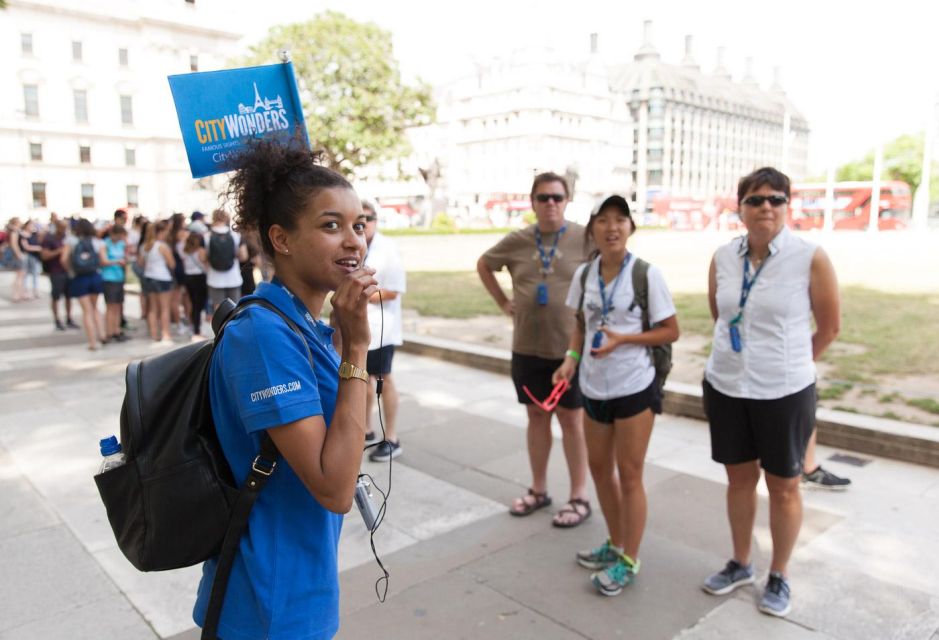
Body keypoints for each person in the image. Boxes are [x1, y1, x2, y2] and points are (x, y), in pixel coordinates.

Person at [191, 138, 377, 640]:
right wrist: (357, 350)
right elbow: (334, 487)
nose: (355, 241)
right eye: (330, 225)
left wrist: (343, 335)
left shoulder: (302, 324)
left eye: (358, 225)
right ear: (282, 239)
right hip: (268, 603)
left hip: (301, 582)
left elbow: (352, 431)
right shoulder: (264, 335)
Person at [700, 167, 840, 618]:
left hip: (783, 391)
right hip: (727, 387)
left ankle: (778, 573)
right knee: (739, 479)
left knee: (784, 487)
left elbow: (830, 326)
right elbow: (719, 316)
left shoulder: (809, 256)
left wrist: (792, 363)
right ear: (739, 207)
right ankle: (741, 562)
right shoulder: (723, 257)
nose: (765, 207)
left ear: (788, 206)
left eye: (776, 199)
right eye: (755, 199)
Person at [554, 195, 679, 596]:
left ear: (630, 227)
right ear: (591, 229)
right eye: (603, 220)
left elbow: (670, 330)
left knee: (629, 475)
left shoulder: (646, 275)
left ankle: (629, 559)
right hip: (592, 385)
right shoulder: (586, 275)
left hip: (634, 386)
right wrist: (571, 360)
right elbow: (581, 324)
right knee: (599, 470)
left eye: (620, 220)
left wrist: (625, 339)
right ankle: (616, 542)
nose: (612, 228)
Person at [477, 172, 592, 528]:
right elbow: (484, 264)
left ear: (568, 200)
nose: (551, 204)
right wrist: (502, 301)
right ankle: (539, 490)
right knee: (536, 417)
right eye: (543, 198)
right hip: (527, 348)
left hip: (569, 350)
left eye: (557, 197)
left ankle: (579, 496)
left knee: (572, 421)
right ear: (532, 202)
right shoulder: (518, 240)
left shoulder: (584, 239)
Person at [361, 200, 407, 461]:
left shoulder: (387, 248)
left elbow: (394, 290)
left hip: (382, 327)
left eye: (368, 218)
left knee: (382, 379)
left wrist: (363, 292)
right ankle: (366, 429)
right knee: (362, 378)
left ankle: (391, 438)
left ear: (376, 220)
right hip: (360, 328)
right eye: (358, 219)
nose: (363, 223)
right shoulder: (354, 245)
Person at [61, 218, 107, 350]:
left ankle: (92, 342)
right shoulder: (98, 242)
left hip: (79, 278)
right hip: (95, 275)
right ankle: (102, 334)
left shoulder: (71, 241)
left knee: (87, 311)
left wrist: (71, 270)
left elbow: (64, 259)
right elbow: (103, 260)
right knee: (95, 307)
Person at [201, 209, 247, 313]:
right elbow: (244, 256)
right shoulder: (236, 235)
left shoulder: (206, 236)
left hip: (214, 278)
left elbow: (202, 258)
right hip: (233, 278)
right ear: (226, 218)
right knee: (235, 308)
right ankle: (233, 328)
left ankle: (220, 329)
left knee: (218, 309)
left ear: (213, 218)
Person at [140, 219, 176, 344]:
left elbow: (141, 263)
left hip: (149, 277)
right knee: (165, 308)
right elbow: (172, 264)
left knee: (152, 308)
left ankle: (154, 334)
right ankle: (166, 334)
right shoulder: (162, 246)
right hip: (162, 278)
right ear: (161, 231)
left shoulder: (145, 246)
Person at [40, 219, 78, 330]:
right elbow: (44, 255)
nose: (64, 229)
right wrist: (60, 251)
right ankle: (57, 319)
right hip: (56, 271)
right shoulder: (49, 239)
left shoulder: (67, 238)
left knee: (69, 296)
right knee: (56, 297)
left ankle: (69, 318)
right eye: (62, 227)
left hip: (67, 271)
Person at [100, 224, 129, 343]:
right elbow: (103, 261)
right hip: (109, 278)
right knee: (110, 306)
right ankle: (109, 331)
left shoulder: (122, 244)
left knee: (118, 306)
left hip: (119, 277)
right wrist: (117, 261)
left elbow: (127, 254)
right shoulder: (105, 244)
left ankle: (117, 330)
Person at [180, 230, 209, 340]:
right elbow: (205, 262)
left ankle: (194, 327)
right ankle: (197, 330)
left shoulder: (185, 250)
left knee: (193, 303)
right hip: (199, 278)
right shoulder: (200, 251)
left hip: (188, 278)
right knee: (199, 305)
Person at [7, 218, 28, 302]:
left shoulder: (16, 231)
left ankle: (20, 293)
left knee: (21, 276)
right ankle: (16, 294)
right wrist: (19, 255)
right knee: (19, 276)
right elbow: (14, 244)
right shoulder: (14, 232)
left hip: (20, 255)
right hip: (19, 256)